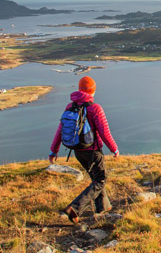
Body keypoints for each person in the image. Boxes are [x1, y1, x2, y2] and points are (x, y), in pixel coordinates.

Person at [49, 76, 119, 223]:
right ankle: (75, 208)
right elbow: (104, 132)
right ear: (93, 90)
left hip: (77, 151)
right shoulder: (95, 108)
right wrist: (114, 149)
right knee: (100, 180)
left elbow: (60, 130)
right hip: (93, 151)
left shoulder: (70, 107)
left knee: (96, 179)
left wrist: (53, 150)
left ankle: (103, 208)